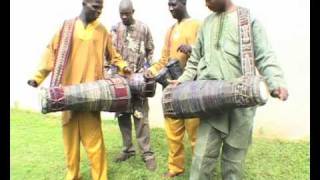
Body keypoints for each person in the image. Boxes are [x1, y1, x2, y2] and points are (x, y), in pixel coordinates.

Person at [169, 0, 289, 179]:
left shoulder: (248, 20)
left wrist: (276, 82)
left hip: (241, 105)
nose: (205, 4)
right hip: (210, 103)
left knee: (234, 163)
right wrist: (183, 80)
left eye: (208, 0)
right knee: (202, 160)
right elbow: (195, 59)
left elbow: (265, 55)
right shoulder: (207, 23)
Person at [27, 0, 131, 179]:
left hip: (91, 94)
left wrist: (123, 66)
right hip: (67, 93)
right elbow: (51, 52)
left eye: (101, 8)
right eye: (95, 6)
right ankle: (72, 174)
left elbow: (113, 54)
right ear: (84, 3)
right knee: (70, 139)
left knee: (94, 139)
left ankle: (100, 176)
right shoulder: (67, 27)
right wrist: (37, 77)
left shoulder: (102, 30)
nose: (99, 11)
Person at [144, 0, 201, 178]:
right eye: (168, 5)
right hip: (172, 90)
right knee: (173, 132)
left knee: (196, 134)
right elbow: (164, 59)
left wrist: (191, 50)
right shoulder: (169, 31)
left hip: (192, 89)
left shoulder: (198, 25)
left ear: (184, 3)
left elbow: (206, 54)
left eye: (174, 4)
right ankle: (175, 168)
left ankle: (200, 170)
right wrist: (152, 71)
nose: (170, 8)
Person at [110, 0, 157, 171]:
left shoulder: (143, 28)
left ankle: (147, 154)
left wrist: (147, 71)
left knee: (141, 118)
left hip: (139, 83)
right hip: (120, 82)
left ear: (133, 11)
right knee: (123, 116)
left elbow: (151, 51)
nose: (124, 16)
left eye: (127, 13)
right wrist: (110, 74)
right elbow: (109, 54)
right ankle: (128, 150)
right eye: (121, 13)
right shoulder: (114, 29)